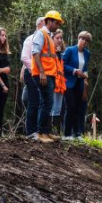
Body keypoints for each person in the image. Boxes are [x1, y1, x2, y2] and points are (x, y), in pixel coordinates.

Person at [31, 10, 64, 143]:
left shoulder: (49, 36)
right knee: (47, 103)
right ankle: (41, 133)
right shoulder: (41, 34)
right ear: (49, 21)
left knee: (47, 103)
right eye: (56, 23)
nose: (57, 25)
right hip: (43, 74)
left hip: (49, 74)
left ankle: (46, 132)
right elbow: (35, 53)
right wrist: (42, 73)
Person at [62, 31, 91, 140]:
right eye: (83, 39)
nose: (84, 42)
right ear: (78, 38)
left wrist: (85, 73)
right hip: (68, 82)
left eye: (86, 40)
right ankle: (67, 134)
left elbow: (85, 67)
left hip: (80, 83)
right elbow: (62, 64)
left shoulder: (87, 53)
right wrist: (74, 70)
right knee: (70, 107)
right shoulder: (69, 50)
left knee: (78, 108)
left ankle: (77, 133)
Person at [20, 17, 45, 137]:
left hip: (42, 74)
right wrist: (36, 70)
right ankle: (30, 131)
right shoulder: (30, 39)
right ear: (40, 25)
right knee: (33, 102)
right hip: (31, 74)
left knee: (42, 102)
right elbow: (24, 57)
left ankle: (40, 130)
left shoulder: (46, 40)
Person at [50, 29, 66, 138]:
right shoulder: (49, 52)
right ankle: (48, 132)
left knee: (58, 110)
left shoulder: (62, 53)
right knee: (50, 108)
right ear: (52, 38)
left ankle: (56, 132)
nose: (59, 40)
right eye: (57, 38)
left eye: (61, 38)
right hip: (51, 83)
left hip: (60, 85)